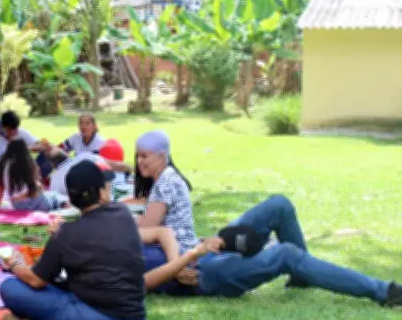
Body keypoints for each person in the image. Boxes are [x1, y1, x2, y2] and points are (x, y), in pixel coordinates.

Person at [134, 131, 402, 307]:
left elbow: (161, 232)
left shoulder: (114, 227)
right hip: (203, 274)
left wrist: (190, 252)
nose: (138, 161)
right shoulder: (99, 259)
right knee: (285, 254)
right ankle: (382, 291)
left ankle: (302, 276)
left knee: (279, 205)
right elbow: (143, 283)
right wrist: (179, 266)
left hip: (200, 254)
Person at [0, 160, 149, 320]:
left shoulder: (67, 234)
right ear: (102, 192)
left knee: (9, 287)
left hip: (101, 314)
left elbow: (36, 280)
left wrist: (15, 263)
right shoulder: (123, 213)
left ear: (71, 199)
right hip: (135, 311)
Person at [133, 130, 196, 254]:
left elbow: (147, 227)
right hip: (168, 247)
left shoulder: (166, 182)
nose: (139, 161)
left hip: (177, 251)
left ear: (161, 157)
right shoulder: (166, 176)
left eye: (144, 156)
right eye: (137, 156)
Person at [0, 139, 65, 212]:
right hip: (36, 203)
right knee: (55, 197)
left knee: (52, 196)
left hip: (18, 205)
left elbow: (0, 189)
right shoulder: (27, 164)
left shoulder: (2, 165)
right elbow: (34, 188)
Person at [37, 113, 107, 180]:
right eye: (81, 123)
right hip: (74, 168)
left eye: (87, 123)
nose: (83, 126)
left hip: (90, 173)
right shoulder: (76, 137)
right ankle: (39, 177)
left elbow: (99, 166)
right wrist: (49, 147)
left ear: (94, 126)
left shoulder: (100, 142)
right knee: (47, 153)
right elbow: (60, 149)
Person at [47, 148, 132, 198]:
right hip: (112, 191)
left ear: (53, 165)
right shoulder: (85, 156)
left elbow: (55, 199)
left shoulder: (55, 178)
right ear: (67, 155)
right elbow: (113, 165)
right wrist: (130, 168)